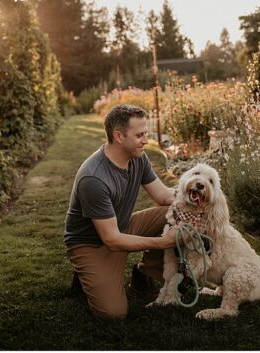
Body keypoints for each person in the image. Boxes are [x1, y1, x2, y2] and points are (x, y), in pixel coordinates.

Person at [64, 104, 179, 319]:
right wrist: (163, 243)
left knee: (176, 213)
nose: (146, 140)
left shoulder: (138, 157)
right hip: (92, 243)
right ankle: (85, 273)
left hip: (120, 227)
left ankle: (143, 273)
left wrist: (196, 194)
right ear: (118, 136)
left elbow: (164, 197)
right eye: (140, 135)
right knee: (114, 313)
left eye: (145, 133)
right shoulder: (94, 178)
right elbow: (112, 241)